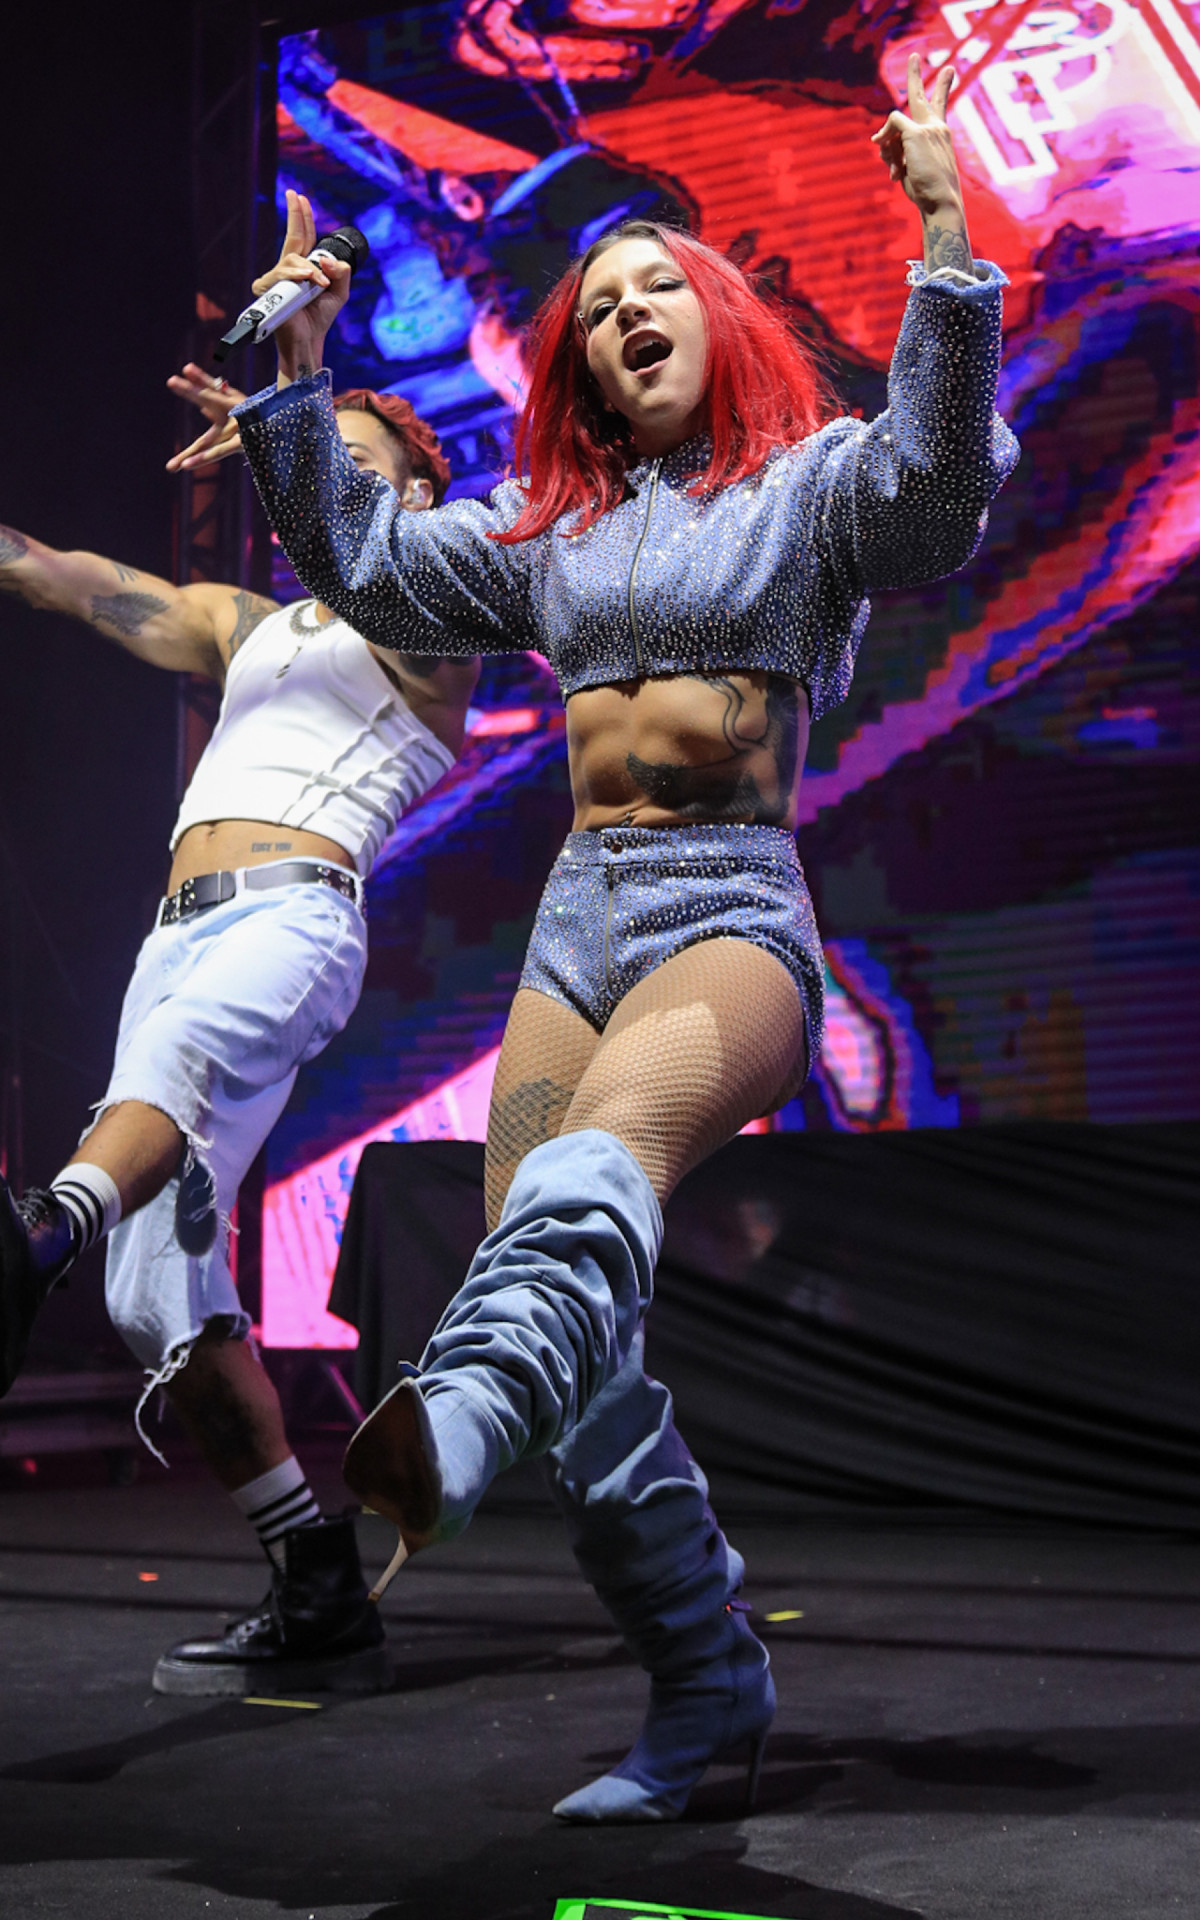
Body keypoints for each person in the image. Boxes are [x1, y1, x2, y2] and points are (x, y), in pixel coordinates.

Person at [231, 57, 1019, 1820]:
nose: (627, 316)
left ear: (719, 320)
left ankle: (466, 1397)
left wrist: (948, 229)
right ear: (574, 362)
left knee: (586, 1192)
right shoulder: (553, 534)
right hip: (573, 931)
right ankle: (704, 1679)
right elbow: (362, 562)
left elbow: (946, 492)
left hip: (730, 907)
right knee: (591, 1336)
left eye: (660, 288)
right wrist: (298, 367)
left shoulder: (814, 485)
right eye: (599, 310)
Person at [0, 385, 478, 1698]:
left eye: (346, 462)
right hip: (176, 936)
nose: (310, 480)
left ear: (414, 495)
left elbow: (365, 547)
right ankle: (311, 1579)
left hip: (296, 924)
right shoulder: (252, 628)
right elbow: (77, 586)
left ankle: (39, 1227)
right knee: (153, 1289)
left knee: (186, 1059)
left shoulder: (435, 613)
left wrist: (290, 415)